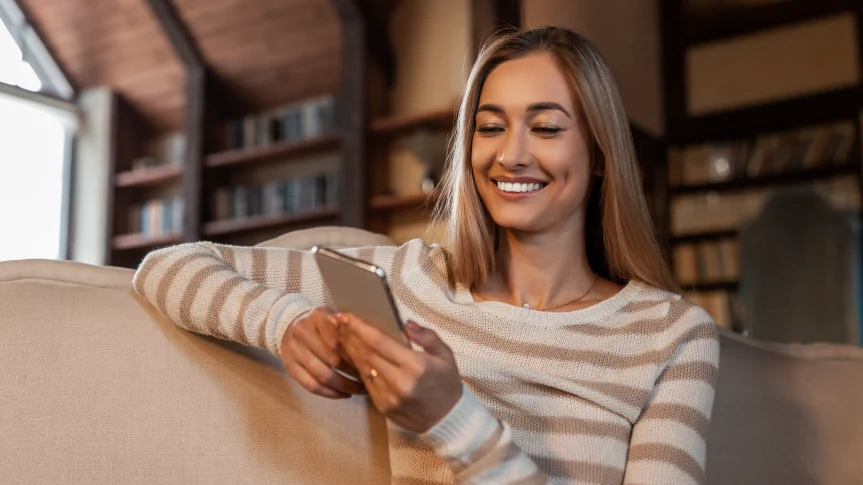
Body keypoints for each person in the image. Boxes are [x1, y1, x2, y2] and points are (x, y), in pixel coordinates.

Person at [133, 26, 719, 485]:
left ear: (598, 154)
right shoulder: (413, 280)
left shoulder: (673, 337)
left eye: (545, 128)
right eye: (490, 128)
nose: (511, 155)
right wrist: (285, 325)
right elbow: (169, 265)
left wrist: (452, 420)